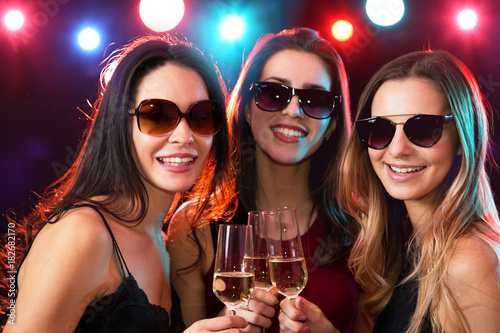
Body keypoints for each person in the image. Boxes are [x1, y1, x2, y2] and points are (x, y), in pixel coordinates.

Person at [0, 35, 249, 332]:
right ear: (120, 124)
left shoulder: (160, 238)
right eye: (158, 116)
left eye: (200, 116)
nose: (184, 136)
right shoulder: (84, 233)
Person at [281, 49, 500, 332]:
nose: (397, 149)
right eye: (381, 129)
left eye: (422, 129)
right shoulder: (404, 248)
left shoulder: (469, 260)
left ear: (461, 137)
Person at [167, 27, 360, 333]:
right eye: (274, 94)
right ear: (245, 108)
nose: (294, 110)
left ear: (333, 123)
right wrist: (226, 321)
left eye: (315, 100)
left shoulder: (362, 226)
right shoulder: (195, 225)